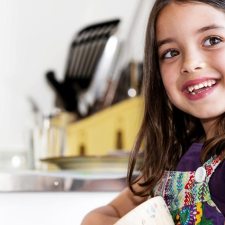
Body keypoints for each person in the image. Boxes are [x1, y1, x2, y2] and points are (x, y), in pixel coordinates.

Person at [81, 0, 225, 224]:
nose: (190, 63)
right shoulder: (175, 156)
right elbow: (106, 214)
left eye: (212, 40)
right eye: (171, 53)